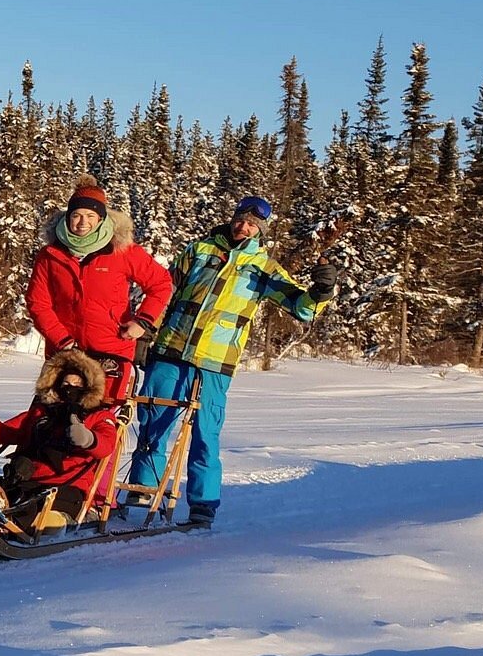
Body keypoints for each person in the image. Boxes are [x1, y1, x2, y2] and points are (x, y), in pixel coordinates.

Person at [125, 195, 336, 527]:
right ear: (233, 217)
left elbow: (302, 307)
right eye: (241, 219)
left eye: (253, 224)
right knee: (153, 422)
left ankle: (202, 505)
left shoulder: (263, 267)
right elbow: (161, 290)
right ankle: (141, 492)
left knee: (206, 433)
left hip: (215, 361)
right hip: (170, 350)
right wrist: (145, 329)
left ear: (260, 230)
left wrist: (322, 290)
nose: (244, 226)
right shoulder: (199, 250)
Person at [27, 174, 172, 399]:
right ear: (67, 218)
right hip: (65, 353)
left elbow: (161, 283)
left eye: (90, 215)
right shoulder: (50, 255)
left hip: (112, 351)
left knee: (101, 424)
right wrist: (61, 339)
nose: (83, 222)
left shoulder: (123, 250)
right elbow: (38, 303)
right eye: (76, 215)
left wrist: (143, 321)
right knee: (51, 421)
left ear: (100, 218)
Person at [0, 348, 119, 530]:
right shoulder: (40, 413)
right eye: (66, 383)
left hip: (68, 486)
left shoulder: (98, 416)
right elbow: (4, 433)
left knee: (33, 504)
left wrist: (87, 438)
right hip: (29, 480)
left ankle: (12, 523)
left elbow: (107, 445)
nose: (70, 388)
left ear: (88, 388)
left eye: (77, 384)